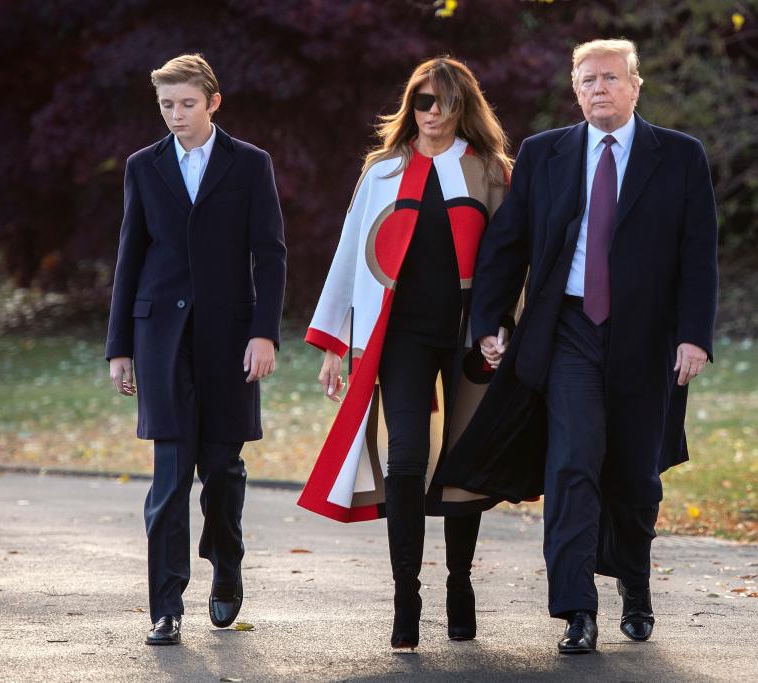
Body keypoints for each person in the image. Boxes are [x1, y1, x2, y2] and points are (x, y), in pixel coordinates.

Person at [436, 39, 719, 654]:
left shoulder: (679, 156)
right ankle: (576, 610)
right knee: (571, 463)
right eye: (587, 80)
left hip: (648, 339)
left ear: (635, 86)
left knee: (636, 475)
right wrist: (489, 321)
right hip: (567, 332)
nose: (598, 89)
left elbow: (699, 254)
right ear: (575, 88)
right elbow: (508, 244)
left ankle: (635, 589)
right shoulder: (545, 155)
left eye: (610, 78)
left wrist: (696, 336)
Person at [297, 57, 513, 649]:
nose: (433, 111)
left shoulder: (490, 170)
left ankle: (461, 588)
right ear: (410, 105)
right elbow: (349, 254)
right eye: (422, 100)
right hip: (401, 337)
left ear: (464, 105)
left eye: (444, 101)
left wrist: (504, 327)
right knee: (407, 460)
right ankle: (406, 598)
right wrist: (333, 343)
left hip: (472, 337)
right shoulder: (383, 171)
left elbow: (510, 257)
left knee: (464, 465)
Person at [105, 54, 286, 646]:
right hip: (159, 339)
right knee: (170, 477)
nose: (176, 115)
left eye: (186, 103)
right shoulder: (143, 167)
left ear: (213, 102)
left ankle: (227, 566)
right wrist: (120, 347)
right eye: (166, 105)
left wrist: (264, 332)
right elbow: (130, 257)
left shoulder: (250, 165)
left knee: (224, 472)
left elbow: (271, 253)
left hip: (230, 340)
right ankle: (165, 605)